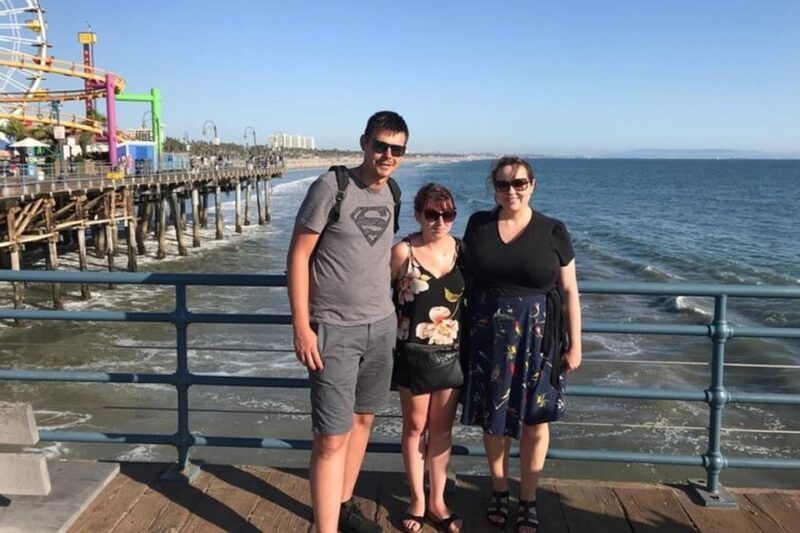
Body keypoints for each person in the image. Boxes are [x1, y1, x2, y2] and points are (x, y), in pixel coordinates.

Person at [287, 110, 409, 533]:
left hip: (382, 326)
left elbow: (380, 255)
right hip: (333, 329)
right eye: (381, 146)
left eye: (397, 149)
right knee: (330, 438)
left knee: (362, 421)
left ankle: (343, 506)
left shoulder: (392, 192)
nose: (388, 155)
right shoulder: (331, 186)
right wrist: (302, 327)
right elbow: (298, 256)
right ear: (364, 143)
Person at [460, 156, 582, 533]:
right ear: (493, 187)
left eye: (519, 184)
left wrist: (575, 344)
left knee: (535, 420)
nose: (511, 191)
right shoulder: (478, 225)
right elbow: (454, 267)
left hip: (539, 338)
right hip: (488, 336)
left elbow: (569, 290)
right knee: (493, 421)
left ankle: (528, 498)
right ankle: (499, 490)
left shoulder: (552, 230)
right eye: (502, 184)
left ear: (533, 185)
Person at [391, 184, 464, 533]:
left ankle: (438, 500)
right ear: (418, 214)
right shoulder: (403, 252)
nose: (440, 221)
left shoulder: (462, 250)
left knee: (442, 429)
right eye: (432, 214)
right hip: (412, 354)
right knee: (415, 428)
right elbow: (376, 295)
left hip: (451, 353)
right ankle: (417, 499)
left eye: (447, 214)